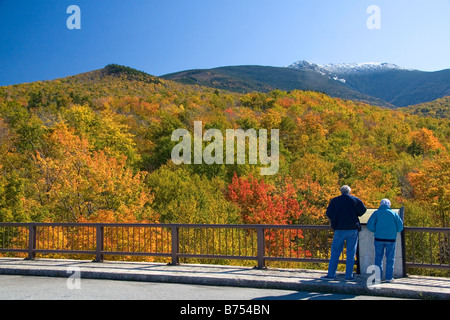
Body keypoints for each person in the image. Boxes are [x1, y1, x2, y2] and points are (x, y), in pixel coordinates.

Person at [321, 185, 367, 281]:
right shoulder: (355, 200)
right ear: (349, 192)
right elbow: (363, 210)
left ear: (341, 192)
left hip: (339, 229)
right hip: (352, 229)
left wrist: (335, 219)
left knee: (335, 252)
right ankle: (348, 276)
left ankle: (331, 274)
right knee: (351, 252)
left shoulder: (335, 201)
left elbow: (328, 213)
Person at [367, 199, 403, 283]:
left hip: (378, 238)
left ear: (380, 204)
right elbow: (400, 227)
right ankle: (389, 278)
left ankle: (378, 278)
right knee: (390, 258)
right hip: (391, 239)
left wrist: (375, 230)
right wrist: (394, 231)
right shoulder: (394, 213)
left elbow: (370, 225)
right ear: (389, 205)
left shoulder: (376, 213)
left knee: (378, 258)